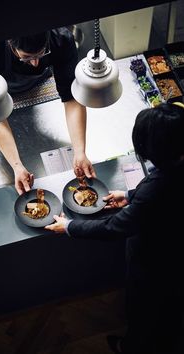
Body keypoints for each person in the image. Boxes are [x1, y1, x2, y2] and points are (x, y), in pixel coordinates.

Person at [45, 102, 184, 354]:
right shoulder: (175, 164)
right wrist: (130, 196)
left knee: (146, 312)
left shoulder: (157, 188)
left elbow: (115, 227)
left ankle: (132, 347)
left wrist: (70, 226)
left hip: (157, 265)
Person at [0, 28, 96, 195]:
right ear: (10, 42)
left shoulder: (61, 39)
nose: (35, 63)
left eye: (41, 54)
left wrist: (79, 151)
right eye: (26, 57)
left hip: (38, 85)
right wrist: (16, 165)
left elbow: (71, 97)